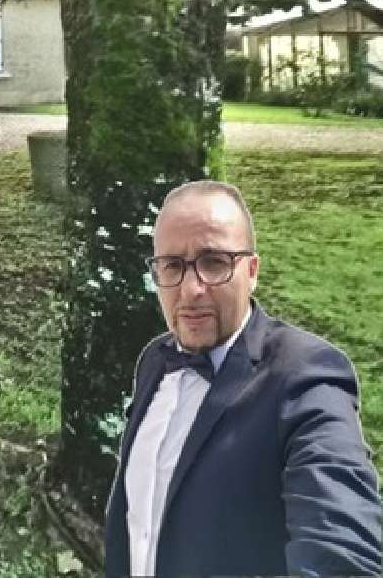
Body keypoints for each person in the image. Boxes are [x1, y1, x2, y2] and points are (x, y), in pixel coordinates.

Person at [103, 180, 382, 577]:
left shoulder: (306, 375)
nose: (191, 289)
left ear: (251, 271)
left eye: (214, 262)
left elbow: (342, 550)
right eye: (172, 266)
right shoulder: (154, 360)